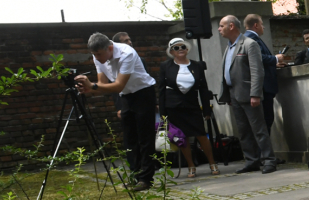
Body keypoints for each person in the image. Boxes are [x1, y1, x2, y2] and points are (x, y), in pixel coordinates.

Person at [74, 33, 157, 191]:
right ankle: (135, 176)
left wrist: (92, 87)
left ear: (109, 48)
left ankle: (146, 178)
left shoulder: (127, 53)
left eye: (98, 54)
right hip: (126, 96)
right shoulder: (98, 56)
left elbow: (118, 85)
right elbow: (102, 84)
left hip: (143, 93)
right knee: (129, 139)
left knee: (144, 138)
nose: (97, 58)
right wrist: (88, 88)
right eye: (94, 55)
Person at [217, 15, 276, 174]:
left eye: (221, 26)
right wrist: (228, 96)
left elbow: (257, 71)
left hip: (249, 94)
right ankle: (252, 161)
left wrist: (255, 94)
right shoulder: (229, 47)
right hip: (234, 95)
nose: (219, 29)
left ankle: (269, 160)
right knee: (243, 131)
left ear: (231, 26)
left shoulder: (249, 44)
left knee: (259, 129)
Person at [156, 38, 219, 178]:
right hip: (174, 106)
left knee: (201, 134)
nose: (180, 50)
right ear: (171, 51)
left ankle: (212, 163)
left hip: (192, 104)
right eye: (176, 48)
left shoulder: (197, 65)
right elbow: (161, 90)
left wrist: (206, 109)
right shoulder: (166, 66)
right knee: (181, 137)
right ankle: (191, 165)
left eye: (182, 47)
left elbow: (203, 87)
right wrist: (163, 112)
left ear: (187, 49)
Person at [111, 31, 141, 176]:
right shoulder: (115, 61)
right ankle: (134, 170)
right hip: (125, 102)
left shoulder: (136, 57)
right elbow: (115, 86)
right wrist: (119, 107)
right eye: (125, 41)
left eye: (130, 40)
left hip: (140, 100)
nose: (129, 43)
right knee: (130, 139)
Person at [243, 14, 280, 131]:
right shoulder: (252, 39)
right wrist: (276, 59)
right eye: (262, 24)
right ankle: (264, 149)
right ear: (256, 25)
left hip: (262, 89)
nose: (263, 27)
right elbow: (258, 58)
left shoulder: (247, 38)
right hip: (263, 88)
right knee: (266, 121)